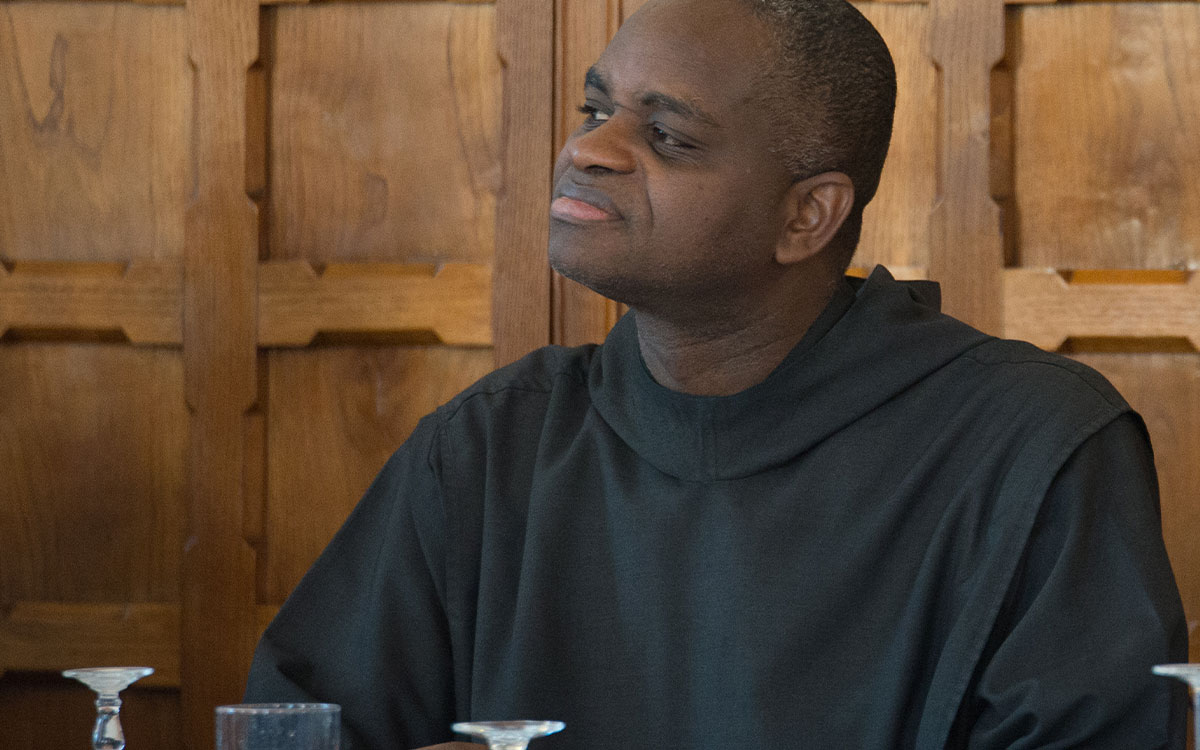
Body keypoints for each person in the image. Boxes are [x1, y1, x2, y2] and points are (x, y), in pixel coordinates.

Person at [243, 0, 1188, 747]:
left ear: (806, 217)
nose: (587, 149)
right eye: (595, 108)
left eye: (667, 138)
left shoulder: (1032, 445)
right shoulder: (493, 443)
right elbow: (302, 723)